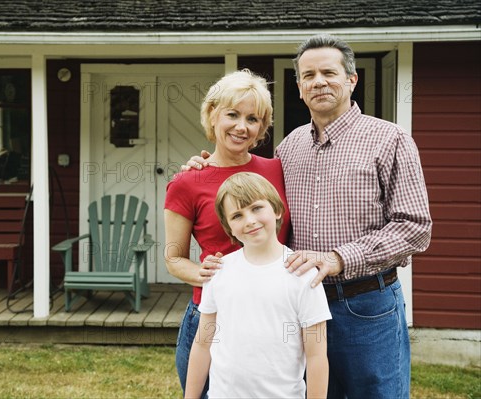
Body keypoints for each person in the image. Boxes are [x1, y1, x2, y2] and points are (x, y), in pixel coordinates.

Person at [185, 34, 432, 399]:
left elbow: (415, 228)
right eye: (308, 75)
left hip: (364, 304)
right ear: (299, 88)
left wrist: (338, 259)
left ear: (351, 79)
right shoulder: (290, 147)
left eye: (329, 73)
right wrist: (203, 167)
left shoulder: (389, 139)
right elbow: (248, 188)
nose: (318, 82)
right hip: (293, 306)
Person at [164, 69, 291, 398]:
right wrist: (200, 272)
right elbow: (174, 258)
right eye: (232, 114)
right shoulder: (187, 182)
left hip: (273, 315)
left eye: (253, 119)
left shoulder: (276, 170)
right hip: (212, 316)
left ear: (262, 128)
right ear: (212, 115)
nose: (241, 126)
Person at [185, 172, 330, 399]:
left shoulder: (303, 274)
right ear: (229, 228)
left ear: (277, 210)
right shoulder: (218, 271)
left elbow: (316, 356)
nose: (250, 221)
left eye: (256, 208)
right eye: (237, 216)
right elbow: (203, 345)